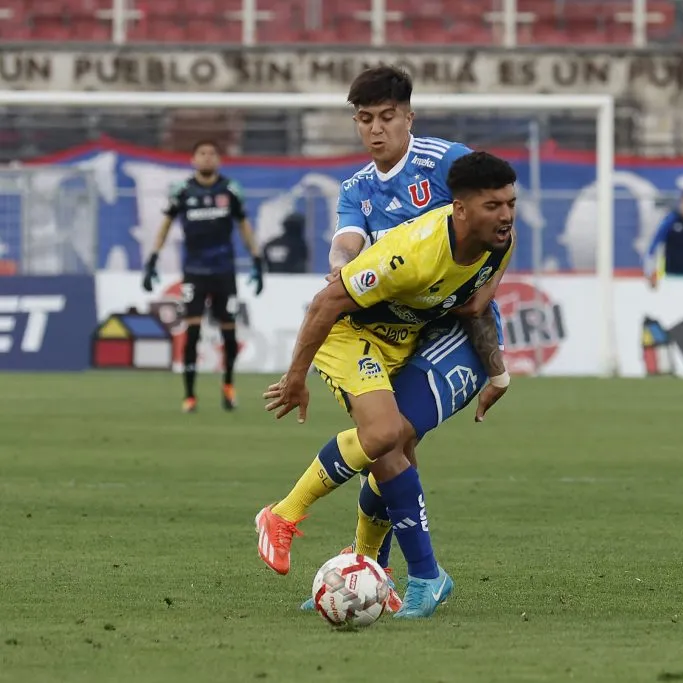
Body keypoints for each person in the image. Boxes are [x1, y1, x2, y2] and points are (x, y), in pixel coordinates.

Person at [258, 151, 516, 619]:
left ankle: (373, 568)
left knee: (394, 447)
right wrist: (296, 377)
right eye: (493, 206)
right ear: (460, 209)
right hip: (349, 336)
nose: (505, 216)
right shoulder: (411, 254)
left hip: (406, 341)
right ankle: (285, 515)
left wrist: (496, 370)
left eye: (510, 204)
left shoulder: (500, 241)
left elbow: (476, 305)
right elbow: (326, 302)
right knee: (384, 436)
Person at [301, 65, 511, 612]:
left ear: (408, 117)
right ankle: (373, 571)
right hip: (399, 330)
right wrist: (340, 266)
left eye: (387, 117)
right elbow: (346, 240)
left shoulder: (444, 162)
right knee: (389, 447)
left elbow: (499, 210)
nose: (376, 129)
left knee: (390, 440)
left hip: (453, 330)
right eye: (365, 119)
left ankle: (417, 575)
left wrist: (489, 313)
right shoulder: (356, 188)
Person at [142, 140, 264, 413]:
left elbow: (244, 225)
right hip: (195, 272)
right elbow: (165, 225)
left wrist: (257, 259)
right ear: (193, 159)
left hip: (224, 271)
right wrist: (152, 258)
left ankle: (228, 385)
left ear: (218, 160)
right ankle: (189, 395)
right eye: (202, 153)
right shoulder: (183, 191)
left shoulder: (230, 190)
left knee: (229, 333)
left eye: (212, 154)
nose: (207, 158)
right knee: (193, 333)